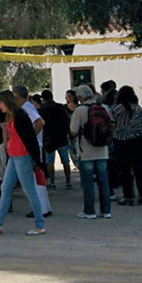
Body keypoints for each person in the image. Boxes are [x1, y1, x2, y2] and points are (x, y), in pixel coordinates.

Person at [0, 90, 46, 235]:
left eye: (1, 103)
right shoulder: (11, 116)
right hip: (14, 155)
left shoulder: (20, 116)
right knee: (6, 187)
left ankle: (39, 224)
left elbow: (29, 138)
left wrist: (35, 160)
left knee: (29, 190)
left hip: (22, 156)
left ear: (7, 102)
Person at [69, 84, 113, 220]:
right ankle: (106, 211)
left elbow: (73, 131)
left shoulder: (80, 110)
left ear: (80, 97)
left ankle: (90, 211)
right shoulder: (104, 108)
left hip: (86, 151)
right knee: (103, 181)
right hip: (102, 150)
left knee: (88, 183)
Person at [13, 85, 49, 216]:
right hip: (37, 145)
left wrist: (30, 138)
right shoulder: (28, 106)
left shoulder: (26, 108)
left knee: (33, 178)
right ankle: (44, 207)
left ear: (17, 95)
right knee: (38, 177)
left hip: (33, 146)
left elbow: (40, 122)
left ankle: (40, 208)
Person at [112, 86, 142, 206]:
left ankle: (128, 196)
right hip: (136, 141)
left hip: (121, 142)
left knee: (125, 171)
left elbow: (112, 125)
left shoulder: (115, 109)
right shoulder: (138, 109)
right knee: (140, 170)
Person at [39, 89, 72, 190]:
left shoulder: (42, 109)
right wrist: (68, 132)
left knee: (50, 161)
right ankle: (68, 181)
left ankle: (52, 182)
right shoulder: (60, 107)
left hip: (49, 138)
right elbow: (67, 120)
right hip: (61, 136)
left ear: (43, 98)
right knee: (65, 160)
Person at [64, 89, 80, 170]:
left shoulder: (79, 107)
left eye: (69, 96)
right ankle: (77, 164)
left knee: (78, 150)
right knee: (71, 151)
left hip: (79, 133)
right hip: (68, 133)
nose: (67, 98)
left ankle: (79, 164)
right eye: (67, 96)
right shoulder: (64, 108)